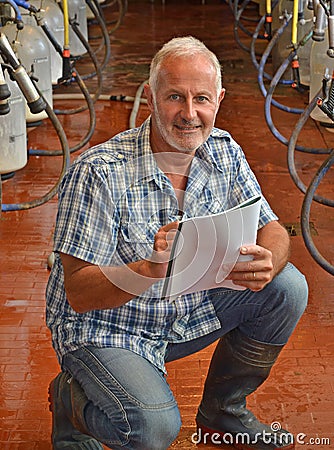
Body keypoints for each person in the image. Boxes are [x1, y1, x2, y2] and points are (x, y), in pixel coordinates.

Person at [46, 36, 308, 450]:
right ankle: (71, 400)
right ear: (149, 97)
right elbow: (78, 293)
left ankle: (223, 414)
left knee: (288, 287)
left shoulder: (222, 150)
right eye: (174, 97)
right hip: (107, 327)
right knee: (152, 430)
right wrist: (148, 269)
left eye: (201, 98)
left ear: (218, 100)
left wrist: (268, 261)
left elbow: (272, 227)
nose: (189, 114)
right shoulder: (98, 172)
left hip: (184, 306)